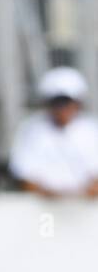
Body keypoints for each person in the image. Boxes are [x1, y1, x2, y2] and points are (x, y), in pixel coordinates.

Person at [9, 66, 98, 197]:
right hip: (42, 211)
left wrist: (82, 195)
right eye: (57, 102)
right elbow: (24, 174)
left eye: (66, 101)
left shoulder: (92, 130)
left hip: (88, 209)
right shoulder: (32, 130)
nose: (62, 108)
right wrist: (50, 196)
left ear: (77, 102)